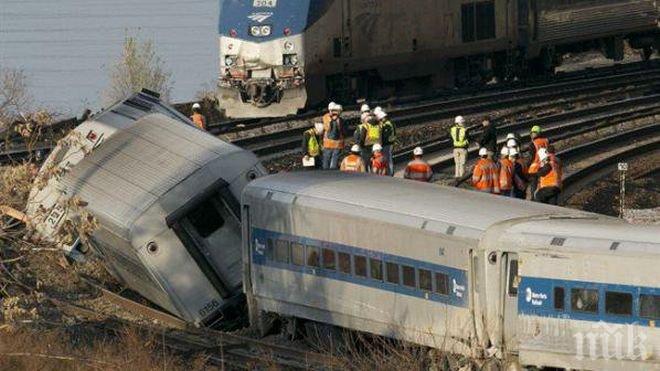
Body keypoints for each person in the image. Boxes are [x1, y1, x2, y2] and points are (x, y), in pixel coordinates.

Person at [322, 102, 345, 170]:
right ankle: (330, 175)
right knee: (328, 162)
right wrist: (334, 120)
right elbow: (329, 129)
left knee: (331, 163)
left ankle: (329, 174)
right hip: (331, 144)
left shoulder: (339, 119)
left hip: (334, 145)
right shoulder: (328, 118)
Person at [375, 107, 397, 176]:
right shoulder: (390, 122)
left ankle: (390, 173)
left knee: (388, 159)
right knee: (388, 158)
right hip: (391, 143)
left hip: (387, 144)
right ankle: (389, 172)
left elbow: (385, 135)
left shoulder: (386, 124)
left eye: (381, 119)